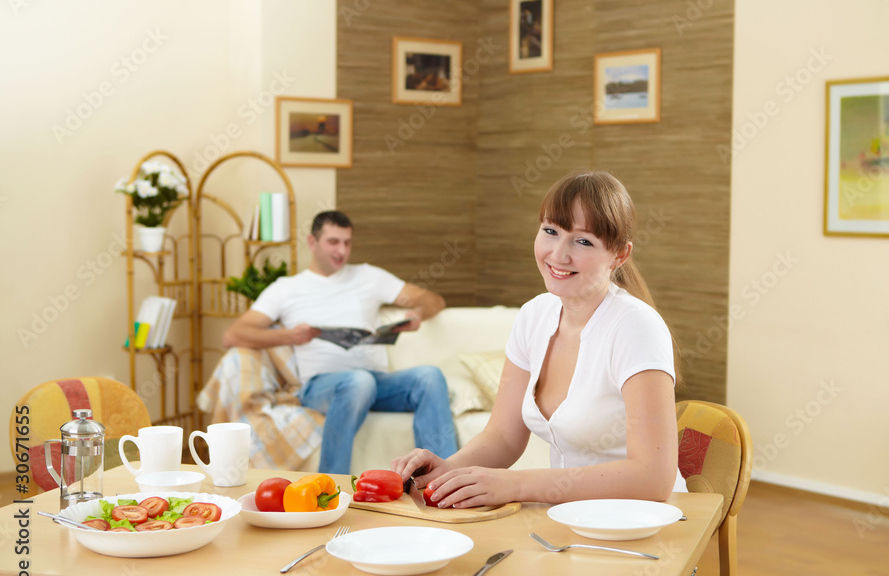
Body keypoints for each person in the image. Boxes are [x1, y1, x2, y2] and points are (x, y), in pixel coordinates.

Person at [393, 170, 685, 508]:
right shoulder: (534, 316)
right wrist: (445, 471)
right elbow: (503, 436)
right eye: (550, 231)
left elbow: (653, 477)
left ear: (620, 255)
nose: (559, 254)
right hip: (568, 518)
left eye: (583, 241)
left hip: (644, 524)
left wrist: (517, 484)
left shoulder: (636, 327)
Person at [222, 210, 458, 474]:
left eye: (347, 243)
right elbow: (234, 334)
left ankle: (444, 480)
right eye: (333, 242)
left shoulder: (369, 277)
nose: (342, 250)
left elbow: (434, 300)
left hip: (377, 383)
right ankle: (331, 485)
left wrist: (417, 314)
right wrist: (290, 336)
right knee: (358, 381)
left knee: (429, 376)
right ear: (312, 242)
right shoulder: (285, 289)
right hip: (322, 387)